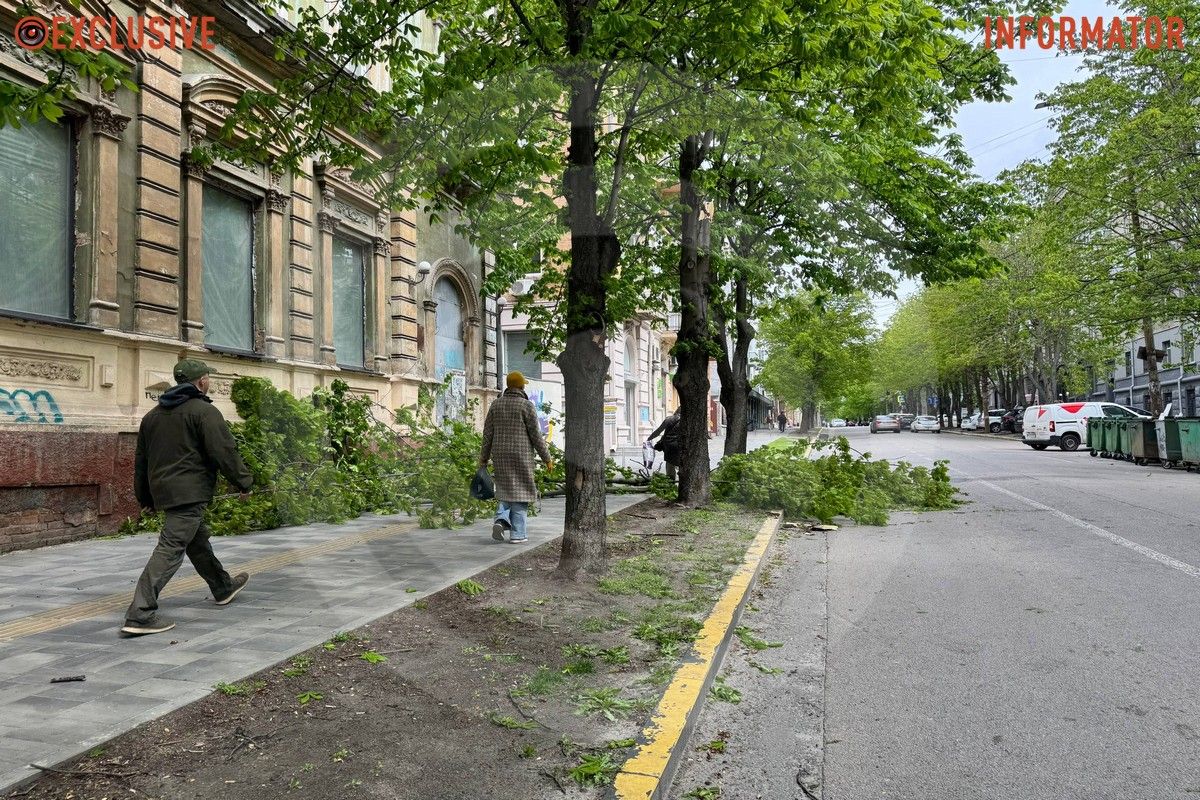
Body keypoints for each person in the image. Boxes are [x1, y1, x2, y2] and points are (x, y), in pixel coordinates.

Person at [121, 359, 254, 636]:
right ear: (201, 381)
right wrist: (244, 482)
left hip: (165, 491)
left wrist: (144, 497)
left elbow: (141, 462)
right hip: (189, 493)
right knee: (170, 549)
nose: (209, 381)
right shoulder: (204, 412)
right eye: (208, 377)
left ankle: (222, 586)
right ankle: (140, 613)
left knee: (196, 540)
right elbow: (224, 451)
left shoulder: (153, 416)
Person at [479, 371, 553, 544]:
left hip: (501, 455)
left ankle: (501, 519)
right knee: (521, 492)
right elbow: (535, 435)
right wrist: (546, 458)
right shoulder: (526, 406)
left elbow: (487, 434)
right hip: (521, 456)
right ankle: (518, 534)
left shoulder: (496, 405)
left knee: (505, 489)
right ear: (520, 386)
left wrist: (483, 458)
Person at [647, 409, 681, 482]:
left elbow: (658, 431)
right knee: (682, 464)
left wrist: (649, 438)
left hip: (668, 445)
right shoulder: (687, 421)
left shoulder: (668, 419)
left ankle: (670, 485)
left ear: (676, 411)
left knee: (670, 465)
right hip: (680, 445)